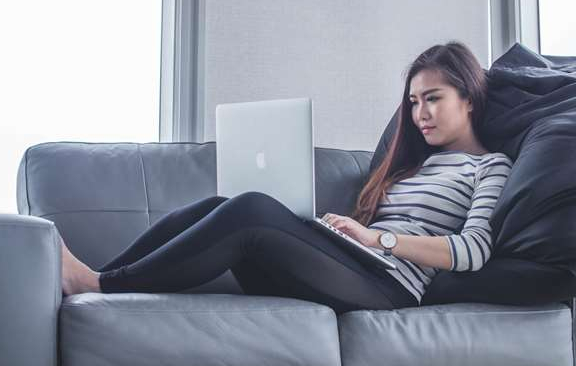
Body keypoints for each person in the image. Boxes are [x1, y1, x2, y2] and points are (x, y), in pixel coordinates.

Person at [61, 40, 513, 313]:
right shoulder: (414, 165)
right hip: (356, 266)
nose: (419, 114)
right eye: (413, 102)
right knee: (223, 205)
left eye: (432, 98)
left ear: (469, 97)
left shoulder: (490, 166)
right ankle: (102, 276)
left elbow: (473, 251)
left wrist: (379, 240)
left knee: (252, 209)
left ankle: (99, 285)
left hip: (391, 288)